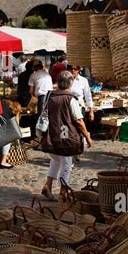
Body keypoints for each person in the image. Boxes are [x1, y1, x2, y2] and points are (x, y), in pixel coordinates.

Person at [40, 70, 92, 199]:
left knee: (55, 161)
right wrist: (87, 136)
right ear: (70, 83)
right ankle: (63, 193)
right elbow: (79, 120)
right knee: (67, 164)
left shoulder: (50, 96)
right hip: (66, 136)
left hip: (52, 135)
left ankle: (48, 186)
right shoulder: (70, 99)